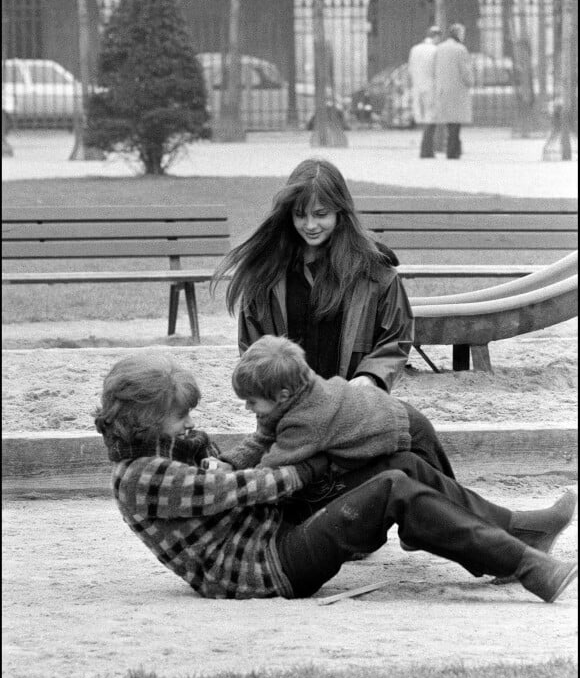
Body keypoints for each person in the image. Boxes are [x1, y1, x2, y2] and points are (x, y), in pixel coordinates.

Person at [94, 351, 578, 603]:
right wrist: (315, 465)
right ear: (146, 418)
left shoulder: (163, 447)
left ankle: (521, 533)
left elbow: (227, 473)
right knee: (392, 489)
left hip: (271, 529)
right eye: (180, 418)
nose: (190, 426)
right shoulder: (137, 476)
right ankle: (525, 566)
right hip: (263, 569)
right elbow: (245, 487)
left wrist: (218, 455)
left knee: (401, 464)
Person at [210, 157, 455, 480]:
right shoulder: (265, 276)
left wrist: (370, 378)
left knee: (417, 453)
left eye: (321, 214)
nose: (310, 225)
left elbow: (395, 338)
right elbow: (255, 353)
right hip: (293, 415)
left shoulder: (375, 272)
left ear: (341, 212)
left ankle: (480, 525)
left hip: (352, 410)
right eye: (300, 215)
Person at [220, 334, 411, 470]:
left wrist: (231, 483)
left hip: (404, 431)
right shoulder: (294, 393)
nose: (247, 407)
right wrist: (230, 462)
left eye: (252, 401)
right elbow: (263, 438)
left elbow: (271, 469)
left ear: (283, 395)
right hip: (388, 416)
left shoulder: (306, 419)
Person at [428, 22, 473, 159]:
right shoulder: (460, 49)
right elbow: (465, 71)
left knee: (449, 121)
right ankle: (453, 150)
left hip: (443, 88)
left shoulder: (439, 48)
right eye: (462, 33)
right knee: (456, 122)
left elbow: (433, 68)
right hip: (457, 90)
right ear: (458, 34)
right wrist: (470, 82)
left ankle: (453, 148)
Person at [408, 25, 441, 158]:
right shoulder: (435, 50)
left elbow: (410, 68)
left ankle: (426, 148)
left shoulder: (415, 49)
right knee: (431, 118)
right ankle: (427, 149)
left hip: (417, 86)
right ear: (436, 36)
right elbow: (437, 70)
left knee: (422, 117)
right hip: (430, 86)